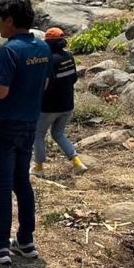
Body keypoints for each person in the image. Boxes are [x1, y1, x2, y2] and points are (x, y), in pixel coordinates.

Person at [0, 0, 51, 264]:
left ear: (10, 21)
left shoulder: (10, 50)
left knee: (2, 186)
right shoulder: (42, 47)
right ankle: (26, 240)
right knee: (22, 182)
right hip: (29, 122)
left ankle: (0, 246)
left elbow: (1, 91)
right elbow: (45, 83)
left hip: (3, 124)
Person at [33, 28, 88, 174]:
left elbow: (44, 84)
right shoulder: (69, 56)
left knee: (38, 134)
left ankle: (38, 167)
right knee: (58, 134)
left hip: (49, 107)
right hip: (67, 105)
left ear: (48, 43)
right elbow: (74, 79)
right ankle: (77, 162)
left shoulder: (49, 59)